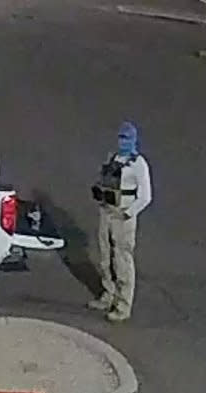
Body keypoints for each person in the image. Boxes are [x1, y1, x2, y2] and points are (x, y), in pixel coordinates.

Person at [87, 121, 152, 322]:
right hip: (107, 210)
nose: (122, 141)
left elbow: (145, 196)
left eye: (126, 138)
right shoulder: (114, 158)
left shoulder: (138, 164)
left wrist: (129, 212)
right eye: (120, 137)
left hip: (123, 214)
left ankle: (123, 305)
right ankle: (108, 294)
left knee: (122, 259)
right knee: (105, 255)